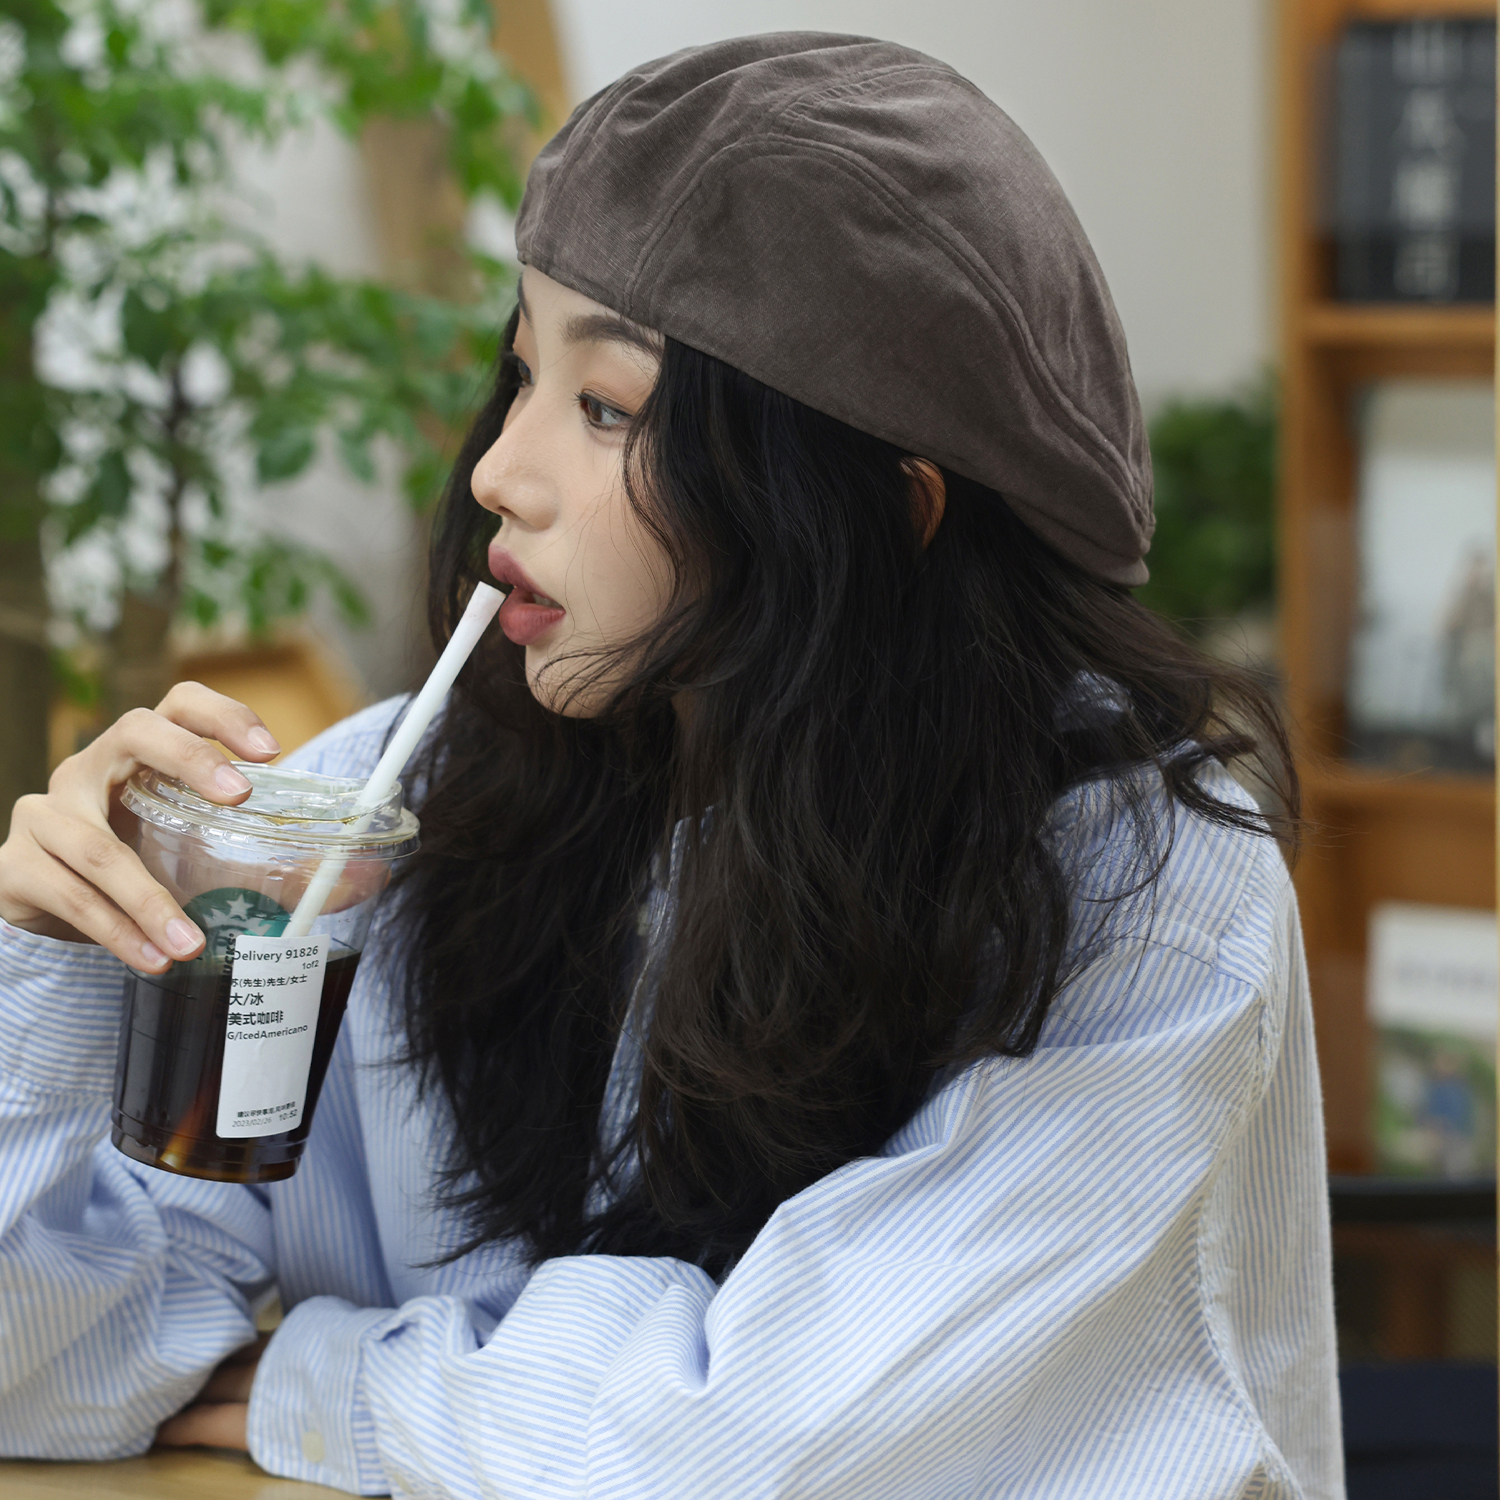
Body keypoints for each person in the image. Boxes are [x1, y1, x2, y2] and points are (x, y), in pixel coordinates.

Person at [0, 33, 1341, 1500]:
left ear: (878, 515)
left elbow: (757, 1446)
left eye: (609, 408)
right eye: (523, 373)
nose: (498, 472)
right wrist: (55, 953)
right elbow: (56, 1369)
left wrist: (346, 1379)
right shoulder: (390, 805)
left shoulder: (1142, 898)